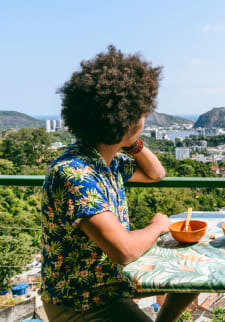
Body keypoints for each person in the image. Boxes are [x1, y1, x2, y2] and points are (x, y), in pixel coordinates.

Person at [40, 46, 197, 322]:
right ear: (126, 118)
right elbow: (123, 251)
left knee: (188, 287)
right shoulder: (75, 173)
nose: (144, 118)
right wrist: (157, 226)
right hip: (82, 303)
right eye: (140, 112)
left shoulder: (106, 161)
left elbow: (155, 173)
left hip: (108, 291)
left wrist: (131, 141)